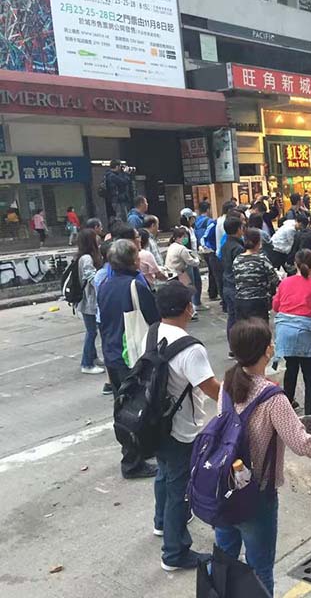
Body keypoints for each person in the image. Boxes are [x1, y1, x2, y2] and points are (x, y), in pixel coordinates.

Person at [213, 318, 311, 594]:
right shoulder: (272, 396)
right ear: (266, 351)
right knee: (260, 570)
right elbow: (302, 445)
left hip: (224, 489)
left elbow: (236, 426)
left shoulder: (227, 384)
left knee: (224, 560)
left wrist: (294, 421)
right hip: (256, 496)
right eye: (270, 341)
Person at [146, 282, 220, 571]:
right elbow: (213, 389)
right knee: (180, 488)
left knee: (164, 474)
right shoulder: (191, 348)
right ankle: (174, 553)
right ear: (188, 308)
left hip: (156, 422)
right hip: (180, 427)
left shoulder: (153, 331)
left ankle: (162, 523)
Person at [98, 239, 160, 478]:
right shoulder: (135, 285)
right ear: (130, 261)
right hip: (131, 355)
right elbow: (153, 317)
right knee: (136, 407)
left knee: (124, 406)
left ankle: (138, 451)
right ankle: (132, 461)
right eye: (136, 256)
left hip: (113, 354)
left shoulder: (105, 284)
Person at [273, 250, 311, 417]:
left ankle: (285, 414)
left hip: (286, 336)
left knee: (291, 372)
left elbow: (276, 307)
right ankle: (310, 417)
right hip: (308, 337)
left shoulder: (285, 283)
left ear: (295, 264)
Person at [232, 228, 280, 321]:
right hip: (258, 301)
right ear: (259, 242)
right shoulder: (262, 259)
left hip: (241, 300)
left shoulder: (237, 259)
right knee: (259, 330)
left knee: (244, 330)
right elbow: (275, 279)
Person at [75, 229, 105, 375]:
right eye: (95, 237)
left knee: (93, 331)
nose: (98, 238)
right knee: (91, 332)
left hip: (90, 301)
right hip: (88, 301)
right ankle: (86, 364)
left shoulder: (88, 256)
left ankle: (93, 357)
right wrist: (104, 286)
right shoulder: (86, 258)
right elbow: (92, 278)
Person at [221, 216, 246, 343]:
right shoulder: (238, 248)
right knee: (239, 318)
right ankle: (239, 344)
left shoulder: (225, 245)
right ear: (238, 229)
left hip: (227, 284)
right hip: (235, 285)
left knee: (232, 317)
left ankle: (233, 344)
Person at [164, 227, 201, 303]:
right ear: (177, 238)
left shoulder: (172, 245)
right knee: (187, 291)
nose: (186, 238)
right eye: (184, 237)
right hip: (178, 274)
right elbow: (191, 262)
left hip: (171, 273)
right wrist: (197, 260)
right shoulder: (182, 248)